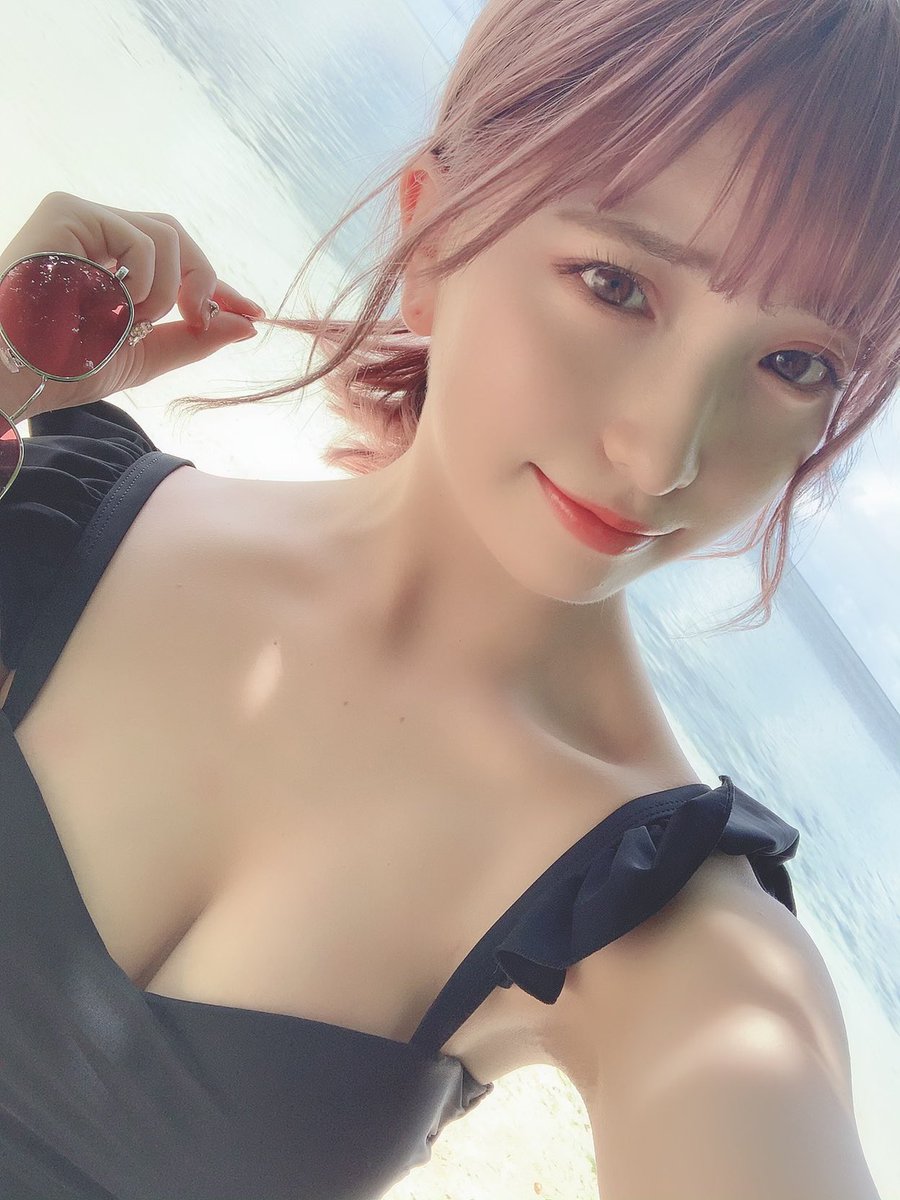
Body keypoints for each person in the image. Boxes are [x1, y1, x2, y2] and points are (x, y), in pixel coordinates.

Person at [0, 0, 893, 1196]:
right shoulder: (48, 514)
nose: (660, 454)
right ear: (432, 237)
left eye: (795, 364)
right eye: (616, 284)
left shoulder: (658, 926)